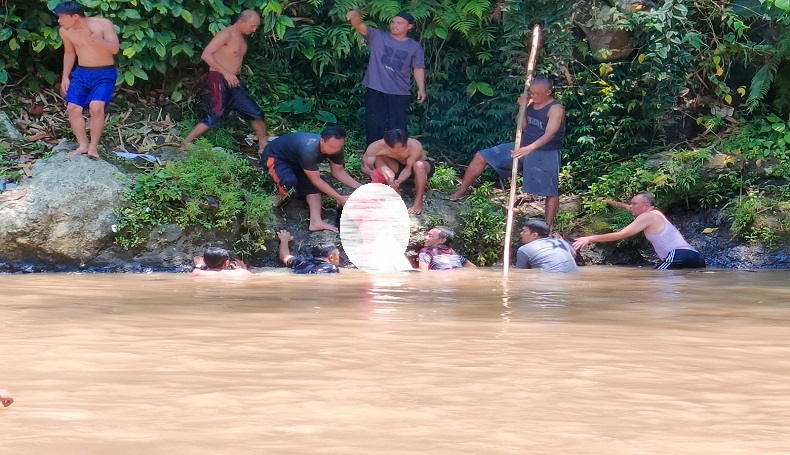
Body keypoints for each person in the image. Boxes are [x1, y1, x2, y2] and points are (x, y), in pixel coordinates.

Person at [446, 77, 566, 230]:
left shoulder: (556, 108)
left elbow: (550, 134)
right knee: (481, 155)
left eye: (538, 94)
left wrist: (529, 149)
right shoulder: (530, 102)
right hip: (521, 146)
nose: (533, 96)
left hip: (544, 152)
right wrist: (522, 107)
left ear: (548, 92)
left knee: (550, 189)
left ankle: (548, 226)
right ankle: (461, 191)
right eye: (532, 93)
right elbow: (521, 125)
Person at [182, 10, 268, 155]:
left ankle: (264, 145)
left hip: (234, 80)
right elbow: (206, 54)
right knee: (216, 113)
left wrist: (231, 75)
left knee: (255, 112)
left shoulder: (241, 37)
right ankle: (186, 142)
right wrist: (226, 73)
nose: (254, 30)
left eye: (256, 27)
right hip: (218, 77)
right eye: (252, 26)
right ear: (241, 22)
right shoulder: (226, 34)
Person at [346, 9, 426, 145]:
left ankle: (397, 160)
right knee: (374, 125)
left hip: (400, 92)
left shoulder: (414, 46)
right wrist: (353, 15)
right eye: (393, 22)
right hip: (376, 88)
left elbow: (418, 68)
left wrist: (421, 88)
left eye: (399, 23)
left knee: (398, 128)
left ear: (409, 26)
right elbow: (359, 25)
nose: (394, 25)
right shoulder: (378, 36)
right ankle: (372, 158)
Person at [261, 126, 362, 233]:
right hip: (276, 158)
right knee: (292, 185)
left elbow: (338, 172)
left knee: (312, 186)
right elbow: (316, 179)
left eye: (339, 146)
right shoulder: (308, 150)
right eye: (332, 147)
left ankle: (315, 222)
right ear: (322, 141)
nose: (335, 150)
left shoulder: (337, 149)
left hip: (300, 162)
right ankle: (281, 193)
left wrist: (363, 188)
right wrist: (339, 198)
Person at [54, 1, 120, 159]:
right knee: (73, 108)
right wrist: (65, 76)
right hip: (81, 73)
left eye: (62, 17)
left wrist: (94, 39)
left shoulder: (103, 24)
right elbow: (69, 53)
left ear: (75, 16)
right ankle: (83, 145)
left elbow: (115, 49)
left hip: (104, 73)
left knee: (96, 107)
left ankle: (93, 147)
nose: (59, 21)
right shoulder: (65, 31)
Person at [572, 193, 706, 269]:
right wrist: (608, 201)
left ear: (646, 206)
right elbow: (627, 207)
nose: (631, 207)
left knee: (656, 279)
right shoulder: (656, 213)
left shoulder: (646, 216)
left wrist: (589, 238)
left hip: (678, 255)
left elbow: (621, 234)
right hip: (696, 257)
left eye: (634, 204)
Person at [361, 129, 433, 214]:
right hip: (396, 167)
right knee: (378, 158)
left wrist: (400, 180)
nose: (398, 151)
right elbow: (364, 167)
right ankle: (394, 188)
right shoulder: (375, 147)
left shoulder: (414, 145)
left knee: (418, 165)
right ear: (386, 143)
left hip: (417, 169)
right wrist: (372, 173)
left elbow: (408, 168)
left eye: (402, 148)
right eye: (394, 149)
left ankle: (418, 202)